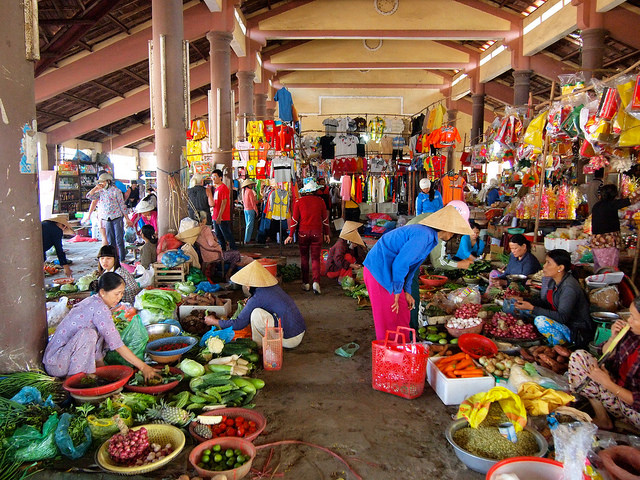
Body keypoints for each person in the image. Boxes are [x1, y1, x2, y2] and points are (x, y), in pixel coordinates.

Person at [363, 204, 474, 340]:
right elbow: (401, 264)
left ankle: (403, 350)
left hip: (391, 271)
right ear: (449, 230)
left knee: (404, 311)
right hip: (379, 271)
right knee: (388, 318)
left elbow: (412, 267)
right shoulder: (423, 235)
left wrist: (407, 290)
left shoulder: (431, 239)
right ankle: (388, 356)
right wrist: (398, 290)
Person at [43, 272, 159, 380]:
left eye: (122, 293)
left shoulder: (96, 302)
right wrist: (143, 367)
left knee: (92, 334)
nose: (119, 297)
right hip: (57, 363)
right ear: (103, 292)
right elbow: (117, 345)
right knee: (88, 334)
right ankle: (74, 381)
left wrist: (105, 376)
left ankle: (80, 378)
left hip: (61, 360)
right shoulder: (99, 308)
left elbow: (97, 348)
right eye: (116, 294)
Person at [567, 294, 640, 429]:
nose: (629, 320)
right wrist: (613, 338)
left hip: (634, 409)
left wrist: (606, 383)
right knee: (579, 357)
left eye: (634, 318)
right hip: (614, 393)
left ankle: (626, 426)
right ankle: (603, 417)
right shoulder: (631, 333)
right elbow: (604, 353)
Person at [204, 261, 306, 348]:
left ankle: (259, 345)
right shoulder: (272, 287)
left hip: (290, 340)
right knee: (257, 310)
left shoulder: (258, 297)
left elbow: (238, 324)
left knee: (255, 313)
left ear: (248, 285)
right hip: (299, 330)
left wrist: (214, 321)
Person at [515, 249, 593, 348]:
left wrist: (533, 308)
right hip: (561, 323)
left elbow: (562, 317)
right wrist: (524, 300)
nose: (544, 266)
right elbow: (545, 303)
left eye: (548, 263)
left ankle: (559, 347)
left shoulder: (569, 287)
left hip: (575, 331)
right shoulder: (553, 281)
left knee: (540, 320)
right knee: (525, 311)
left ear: (560, 268)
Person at [285, 179, 330, 295]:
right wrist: (327, 234)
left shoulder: (299, 202)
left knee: (304, 258)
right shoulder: (320, 201)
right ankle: (316, 282)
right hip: (317, 233)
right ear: (315, 190)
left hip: (303, 233)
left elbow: (295, 220)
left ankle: (306, 283)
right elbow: (325, 220)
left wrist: (290, 235)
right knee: (315, 259)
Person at [591, 184, 640, 271]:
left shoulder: (597, 206)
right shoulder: (611, 205)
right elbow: (630, 200)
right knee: (609, 271)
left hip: (596, 242)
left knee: (599, 271)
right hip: (607, 243)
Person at [86, 172, 132, 262]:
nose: (101, 184)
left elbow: (122, 205)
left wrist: (127, 218)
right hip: (106, 218)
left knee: (119, 240)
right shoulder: (100, 192)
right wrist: (95, 188)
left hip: (117, 217)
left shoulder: (116, 191)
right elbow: (89, 196)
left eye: (103, 182)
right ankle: (113, 259)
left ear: (108, 181)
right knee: (110, 241)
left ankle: (122, 259)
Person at [195, 211, 250, 281]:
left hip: (205, 254)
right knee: (236, 254)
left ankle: (217, 273)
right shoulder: (205, 229)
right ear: (204, 219)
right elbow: (211, 243)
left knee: (231, 253)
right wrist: (217, 244)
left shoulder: (196, 229)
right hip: (214, 254)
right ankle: (228, 273)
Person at [211, 169, 237, 250]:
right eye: (212, 177)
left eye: (215, 177)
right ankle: (223, 252)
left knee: (227, 235)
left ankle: (233, 251)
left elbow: (224, 202)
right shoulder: (217, 189)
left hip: (222, 217)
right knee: (219, 236)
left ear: (220, 177)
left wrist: (219, 216)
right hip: (215, 216)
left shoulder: (223, 188)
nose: (213, 179)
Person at [242, 178, 258, 244]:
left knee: (247, 225)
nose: (251, 185)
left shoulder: (244, 191)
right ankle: (247, 240)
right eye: (251, 184)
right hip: (250, 210)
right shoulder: (250, 191)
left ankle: (246, 239)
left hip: (245, 209)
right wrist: (256, 210)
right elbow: (252, 202)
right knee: (250, 226)